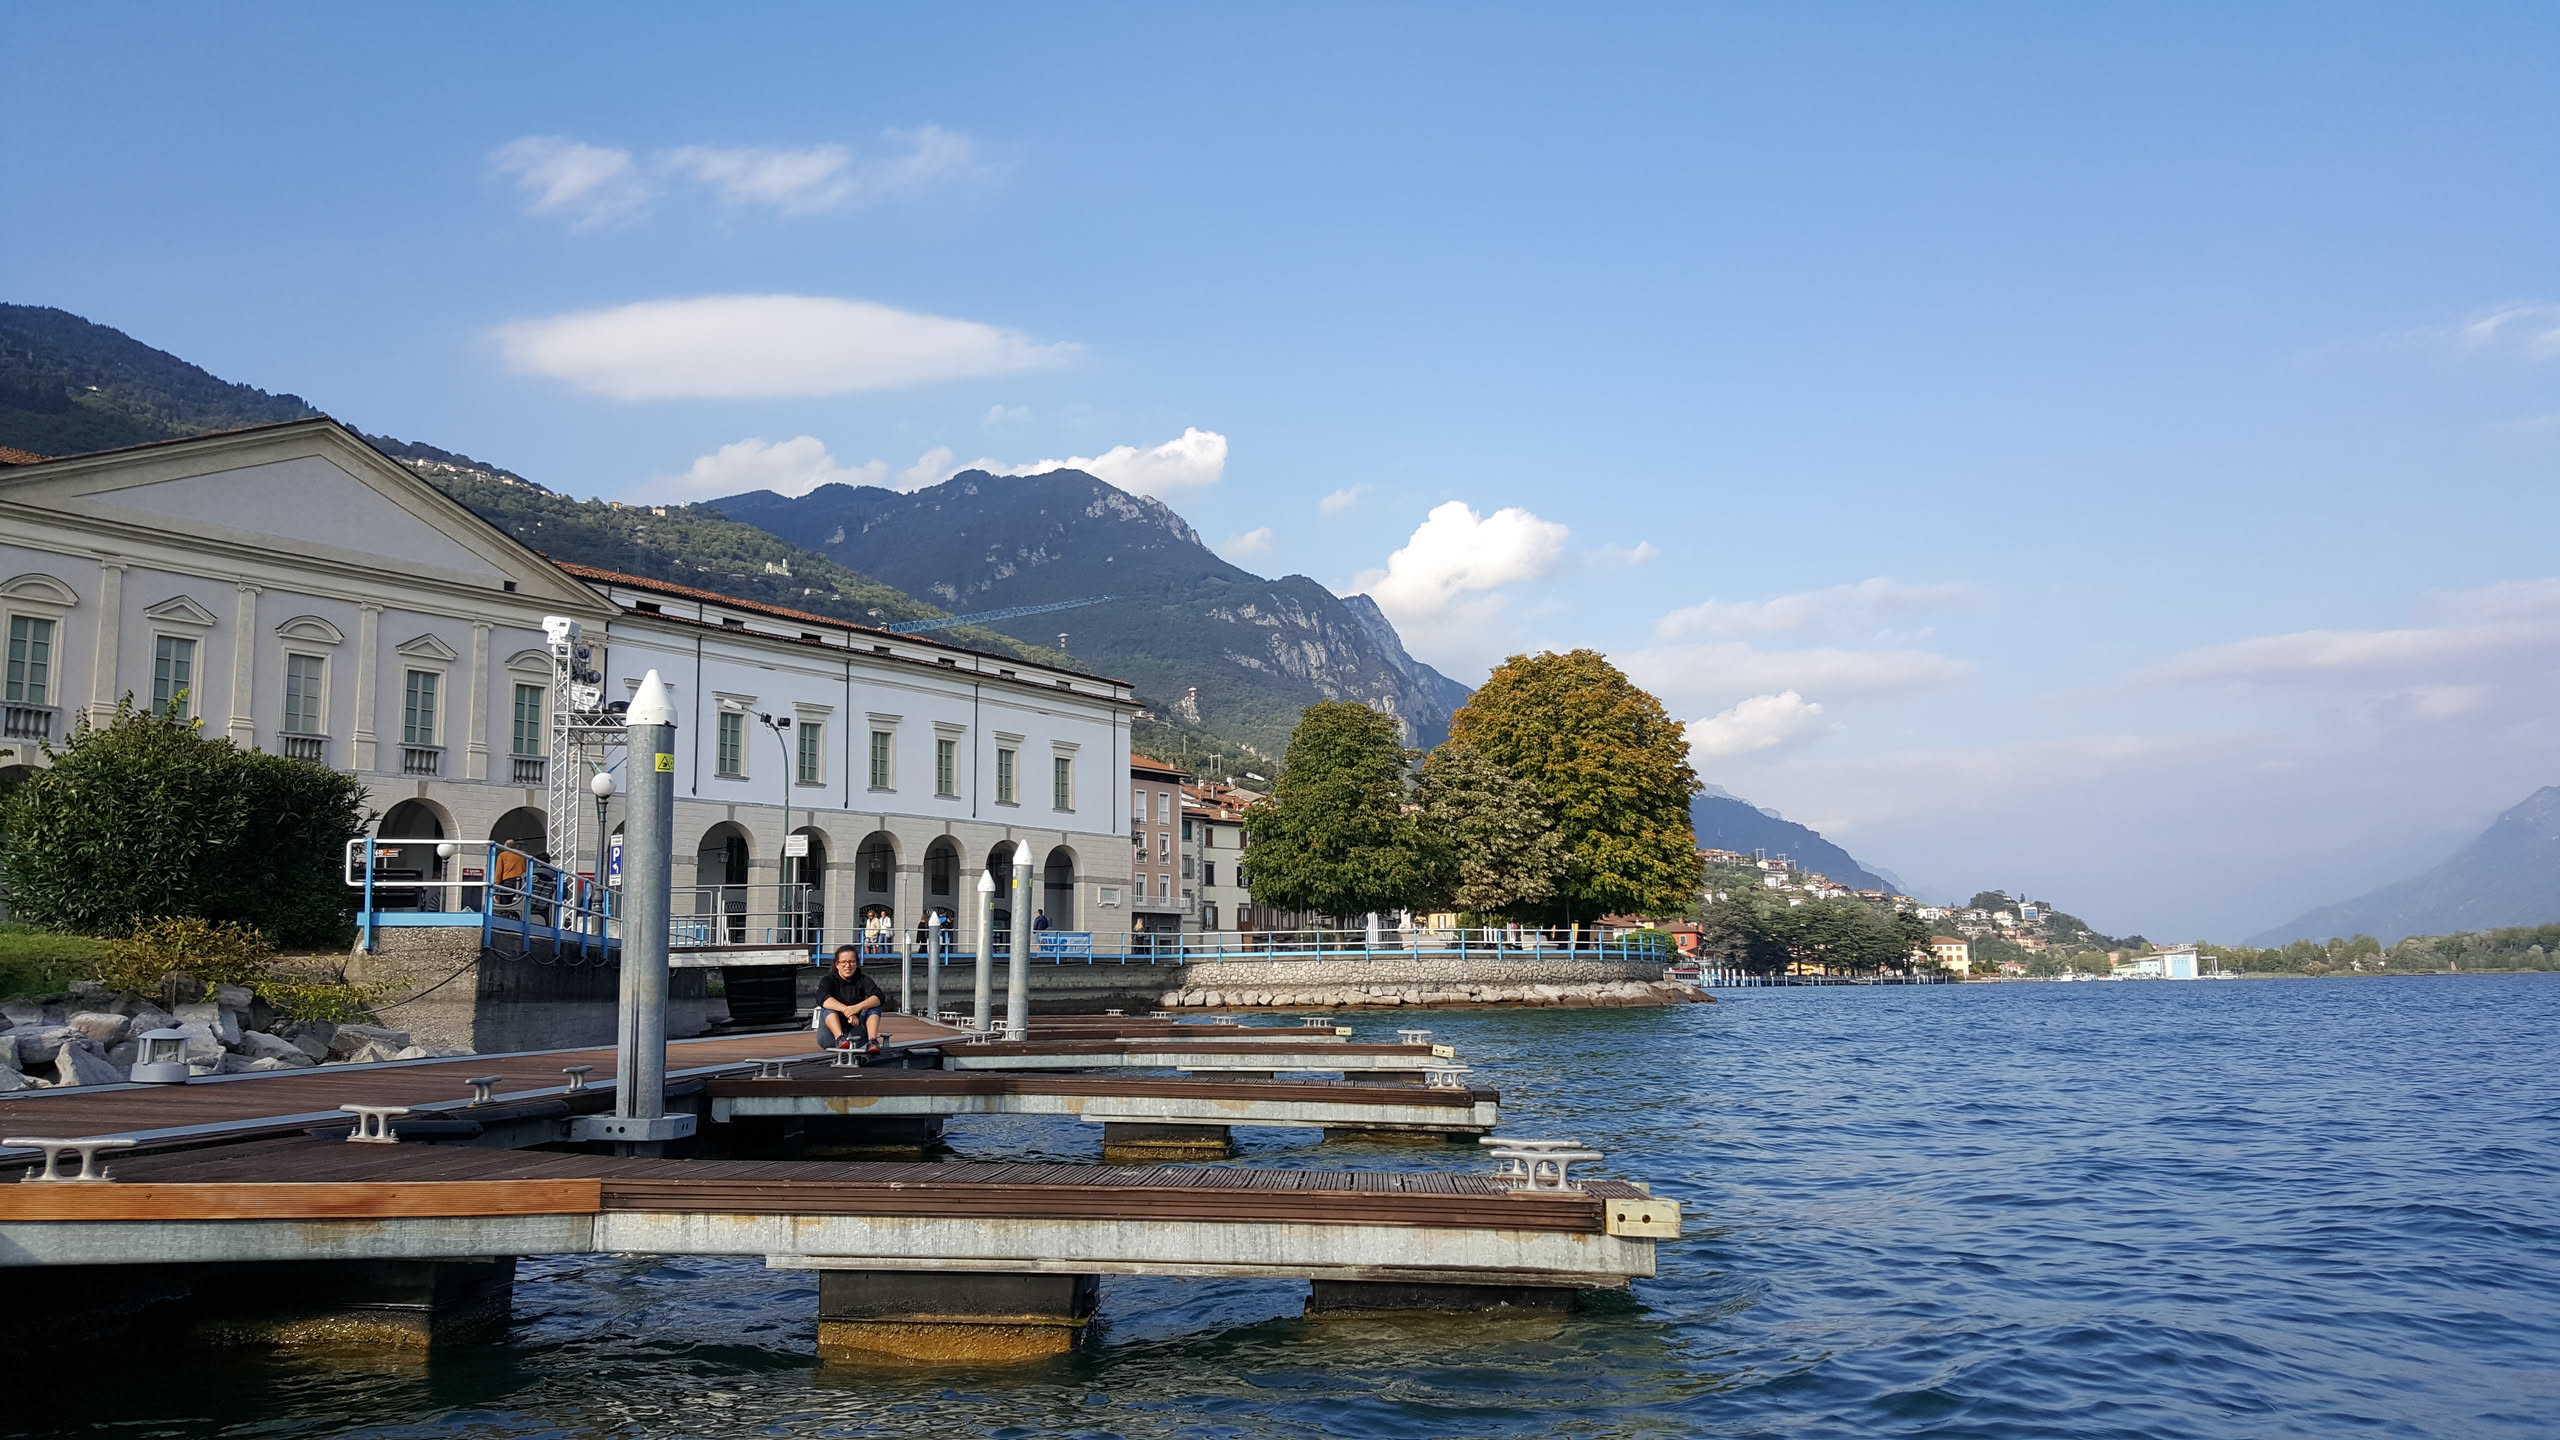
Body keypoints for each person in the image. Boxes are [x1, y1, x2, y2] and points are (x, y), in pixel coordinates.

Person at [817, 944, 885, 1052]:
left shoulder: (863, 980)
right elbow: (822, 998)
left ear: (856, 964)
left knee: (874, 1006)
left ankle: (872, 1041)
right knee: (828, 1007)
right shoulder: (828, 980)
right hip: (829, 1038)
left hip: (856, 1032)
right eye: (843, 962)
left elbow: (879, 996)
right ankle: (840, 1038)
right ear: (837, 964)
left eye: (851, 962)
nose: (847, 965)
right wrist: (847, 1011)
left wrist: (857, 1008)